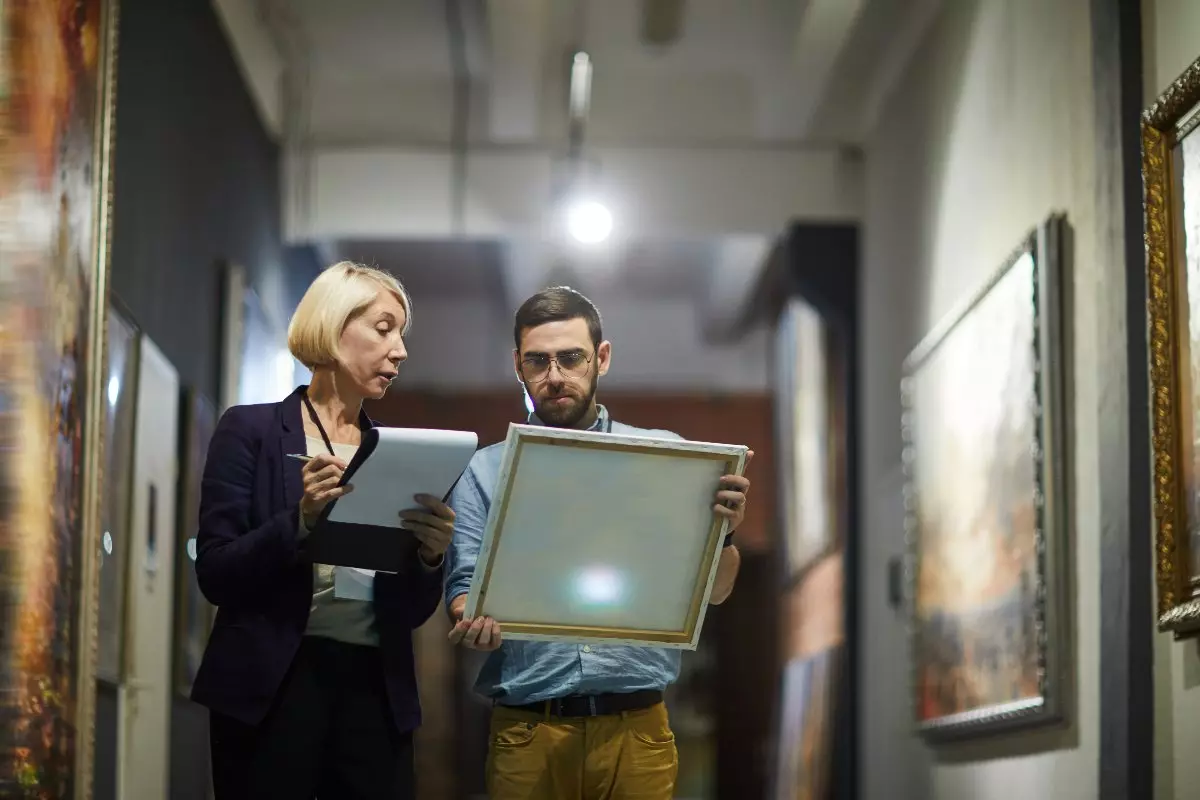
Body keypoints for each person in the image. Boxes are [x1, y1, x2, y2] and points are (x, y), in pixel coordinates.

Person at [443, 286, 753, 800]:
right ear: (518, 365)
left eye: (571, 358)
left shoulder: (667, 460)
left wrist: (726, 533)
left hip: (638, 727)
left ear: (601, 358)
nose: (555, 376)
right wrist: (471, 619)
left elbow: (715, 592)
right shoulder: (482, 472)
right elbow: (463, 593)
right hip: (528, 731)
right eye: (538, 362)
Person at [191, 261, 456, 799]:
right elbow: (216, 573)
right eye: (384, 329)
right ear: (335, 328)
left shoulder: (399, 458)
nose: (400, 351)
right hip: (271, 688)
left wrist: (430, 558)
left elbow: (407, 613)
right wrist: (301, 521)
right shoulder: (251, 430)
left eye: (401, 335)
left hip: (374, 693)